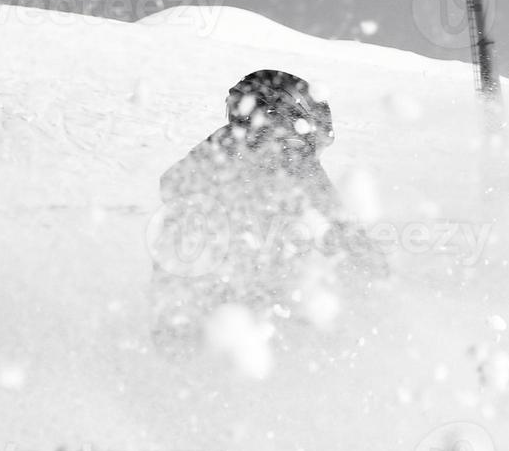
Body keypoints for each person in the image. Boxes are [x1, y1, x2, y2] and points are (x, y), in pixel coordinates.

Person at [150, 70, 385, 343]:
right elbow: (335, 215)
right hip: (243, 310)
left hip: (204, 313)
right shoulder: (280, 153)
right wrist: (370, 264)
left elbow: (173, 184)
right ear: (284, 116)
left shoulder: (229, 144)